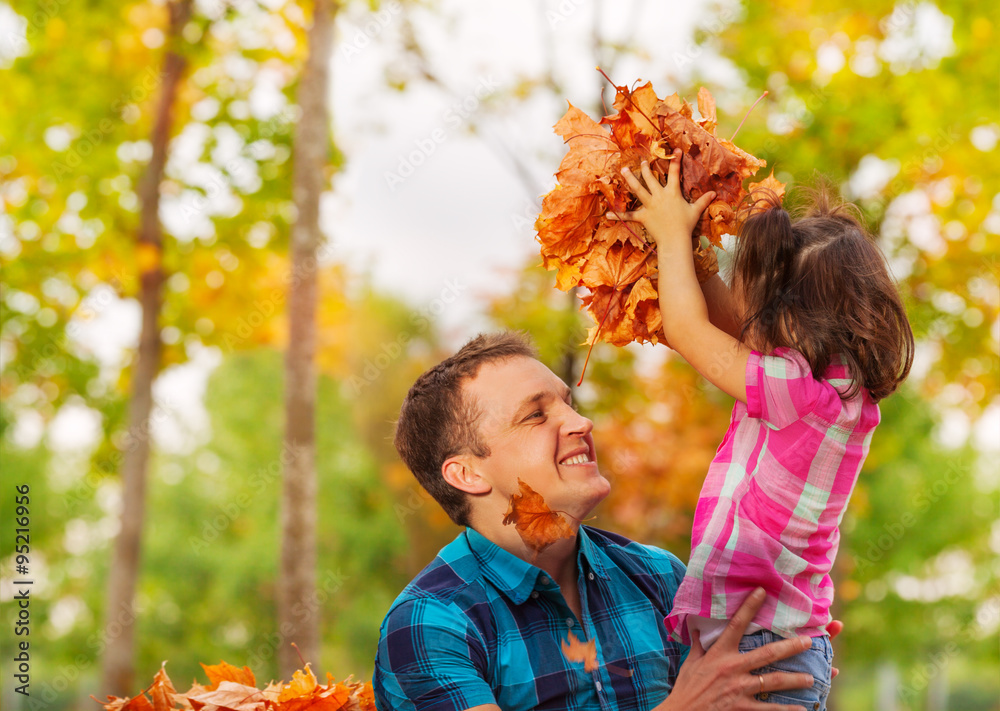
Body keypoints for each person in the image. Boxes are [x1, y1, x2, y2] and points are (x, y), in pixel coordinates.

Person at [374, 331, 838, 711]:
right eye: (536, 415)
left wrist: (780, 668)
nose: (580, 422)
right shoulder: (430, 624)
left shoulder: (659, 577)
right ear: (468, 473)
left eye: (567, 403)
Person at [613, 152, 913, 710]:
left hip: (760, 646)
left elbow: (687, 328)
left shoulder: (794, 393)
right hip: (777, 641)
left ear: (793, 319)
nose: (750, 318)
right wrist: (695, 251)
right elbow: (733, 332)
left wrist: (672, 234)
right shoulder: (836, 389)